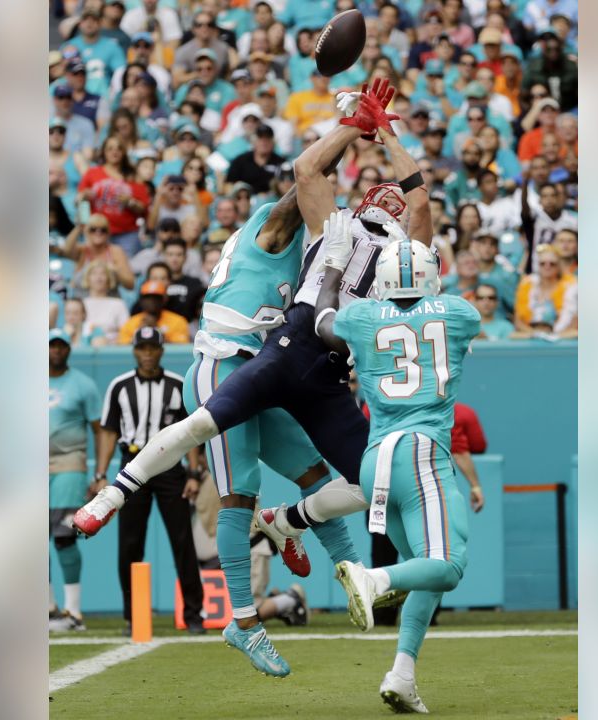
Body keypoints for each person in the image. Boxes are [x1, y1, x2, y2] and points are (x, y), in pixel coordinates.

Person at [75, 80, 415, 677]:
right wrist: (353, 127)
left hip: (277, 368)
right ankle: (243, 619)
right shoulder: (274, 226)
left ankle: (319, 549)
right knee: (237, 493)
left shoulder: (336, 242)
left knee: (318, 472)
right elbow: (305, 182)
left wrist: (372, 138)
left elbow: (331, 195)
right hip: (226, 360)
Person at [270, 217, 480, 713]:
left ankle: (402, 674)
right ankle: (374, 579)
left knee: (424, 572)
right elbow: (443, 323)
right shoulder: (459, 313)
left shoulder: (363, 317)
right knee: (448, 566)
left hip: (375, 457)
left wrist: (333, 267)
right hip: (423, 449)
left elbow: (322, 320)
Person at [98, 327, 207, 635]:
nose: (147, 353)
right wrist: (100, 473)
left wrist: (194, 472)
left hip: (170, 468)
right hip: (131, 466)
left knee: (182, 541)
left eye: (152, 347)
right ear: (134, 350)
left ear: (161, 350)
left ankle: (194, 614)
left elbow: (193, 432)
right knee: (129, 544)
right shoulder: (120, 387)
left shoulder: (177, 384)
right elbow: (107, 430)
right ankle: (134, 616)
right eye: (142, 347)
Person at [48, 329, 106, 631]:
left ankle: (73, 612)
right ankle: (47, 609)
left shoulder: (82, 385)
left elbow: (99, 429)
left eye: (61, 346)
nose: (56, 351)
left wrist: (98, 472)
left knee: (64, 537)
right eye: (50, 345)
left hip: (69, 465)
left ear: (69, 349)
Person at [79, 137, 151, 256]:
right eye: (110, 149)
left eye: (119, 148)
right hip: (98, 233)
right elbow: (80, 200)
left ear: (124, 152)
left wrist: (130, 202)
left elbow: (143, 208)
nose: (114, 152)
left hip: (127, 235)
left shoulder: (134, 176)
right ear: (104, 152)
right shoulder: (92, 173)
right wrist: (85, 196)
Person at [513, 243, 577, 335]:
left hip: (561, 338)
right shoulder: (527, 284)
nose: (547, 267)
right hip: (531, 337)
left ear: (559, 266)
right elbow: (518, 320)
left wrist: (554, 336)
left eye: (552, 264)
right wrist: (536, 335)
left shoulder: (571, 287)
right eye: (543, 264)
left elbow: (574, 320)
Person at [522, 182, 578, 270]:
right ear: (539, 200)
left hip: (565, 271)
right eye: (545, 196)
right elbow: (525, 211)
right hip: (538, 270)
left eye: (553, 195)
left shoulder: (573, 221)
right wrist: (524, 181)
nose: (549, 200)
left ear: (559, 198)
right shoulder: (535, 218)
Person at [117, 280, 191, 344]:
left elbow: (181, 350)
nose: (152, 301)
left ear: (163, 300)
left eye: (156, 297)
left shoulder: (178, 321)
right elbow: (123, 350)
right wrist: (140, 334)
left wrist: (156, 330)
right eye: (148, 297)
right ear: (141, 301)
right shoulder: (130, 323)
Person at [80, 260, 130, 345]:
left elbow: (126, 332)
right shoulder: (81, 303)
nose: (98, 277)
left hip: (112, 348)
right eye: (94, 273)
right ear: (87, 278)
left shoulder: (118, 304)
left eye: (103, 274)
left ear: (109, 279)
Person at [226, 124, 286, 195]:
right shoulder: (240, 161)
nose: (264, 142)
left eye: (267, 138)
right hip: (246, 201)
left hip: (273, 202)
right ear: (254, 142)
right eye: (260, 138)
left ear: (273, 142)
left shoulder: (281, 163)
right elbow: (228, 185)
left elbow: (287, 187)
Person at [160, 237, 206, 323]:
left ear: (185, 257)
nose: (174, 259)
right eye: (170, 254)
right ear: (164, 256)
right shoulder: (155, 282)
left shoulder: (195, 284)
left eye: (179, 254)